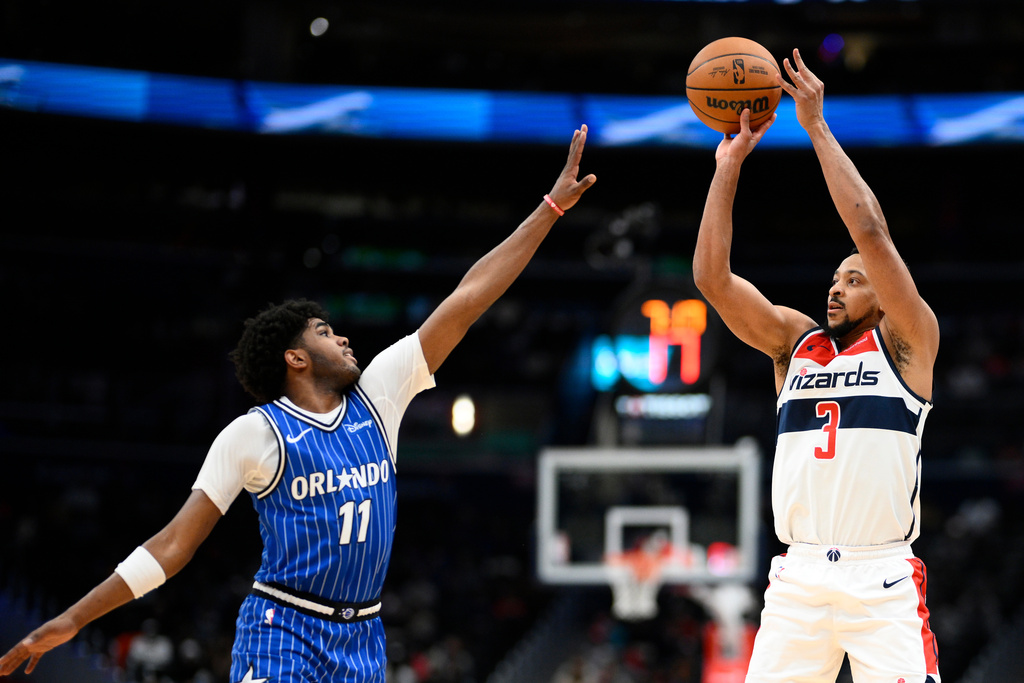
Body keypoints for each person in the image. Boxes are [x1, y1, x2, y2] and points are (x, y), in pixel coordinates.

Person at [0, 125, 597, 682]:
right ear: (294, 358)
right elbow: (172, 547)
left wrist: (548, 212)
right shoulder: (254, 434)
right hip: (282, 629)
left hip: (363, 638)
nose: (341, 337)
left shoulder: (379, 395)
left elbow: (467, 298)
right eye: (323, 331)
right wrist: (74, 619)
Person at [692, 49, 941, 683]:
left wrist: (816, 128)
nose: (836, 288)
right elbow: (713, 281)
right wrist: (728, 169)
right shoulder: (794, 345)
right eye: (833, 279)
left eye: (853, 280)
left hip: (880, 578)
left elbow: (873, 235)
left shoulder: (909, 342)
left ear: (885, 295)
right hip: (798, 578)